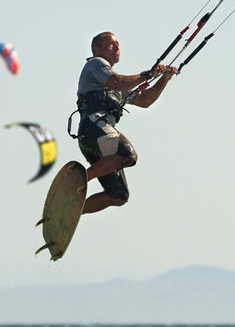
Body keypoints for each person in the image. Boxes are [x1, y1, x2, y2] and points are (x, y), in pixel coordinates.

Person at [75, 31, 176, 215]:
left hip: (98, 139)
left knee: (118, 195)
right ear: (95, 49)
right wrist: (147, 75)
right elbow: (117, 81)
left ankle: (72, 211)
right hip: (94, 129)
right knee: (127, 154)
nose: (117, 48)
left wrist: (164, 79)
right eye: (111, 45)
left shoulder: (115, 87)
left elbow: (145, 100)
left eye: (118, 45)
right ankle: (79, 181)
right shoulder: (95, 64)